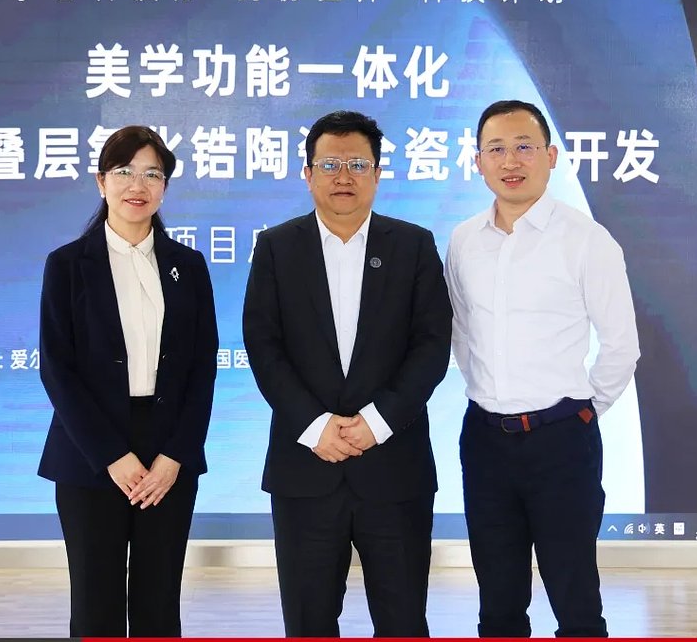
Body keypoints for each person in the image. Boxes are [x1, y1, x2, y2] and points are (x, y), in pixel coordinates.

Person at [242, 110, 453, 637]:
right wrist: (316, 427)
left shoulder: (413, 245)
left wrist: (377, 423)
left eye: (357, 164)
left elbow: (432, 346)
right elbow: (264, 347)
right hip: (305, 468)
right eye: (329, 164)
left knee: (403, 623)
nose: (343, 176)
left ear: (378, 174)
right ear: (307, 173)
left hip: (394, 467)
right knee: (309, 623)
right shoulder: (276, 247)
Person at [446, 100, 640, 638]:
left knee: (575, 598)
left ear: (550, 156)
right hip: (484, 440)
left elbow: (622, 346)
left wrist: (582, 411)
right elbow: (460, 332)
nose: (511, 161)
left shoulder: (586, 240)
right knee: (498, 600)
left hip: (561, 441)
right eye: (496, 149)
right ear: (478, 161)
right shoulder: (463, 240)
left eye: (524, 147)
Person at [37, 126, 218, 637]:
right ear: (101, 182)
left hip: (167, 456)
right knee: (96, 605)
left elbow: (202, 369)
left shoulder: (188, 266)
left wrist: (175, 455)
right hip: (90, 454)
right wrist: (111, 457)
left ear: (164, 188)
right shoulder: (67, 265)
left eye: (152, 174)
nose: (137, 185)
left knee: (159, 604)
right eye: (124, 171)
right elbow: (57, 369)